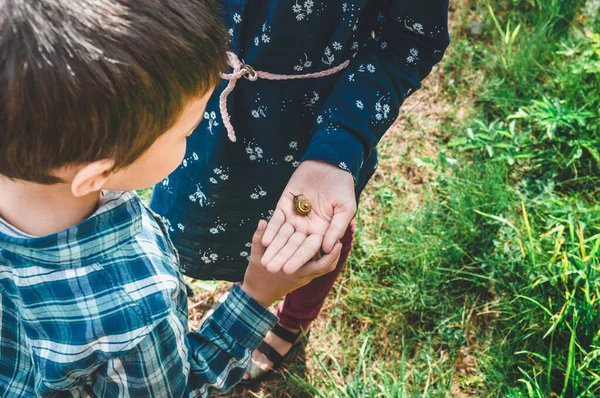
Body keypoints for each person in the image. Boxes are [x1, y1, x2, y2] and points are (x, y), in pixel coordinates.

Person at [0, 1, 342, 397]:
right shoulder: (137, 304)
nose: (192, 137)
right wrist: (256, 295)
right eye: (184, 131)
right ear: (97, 174)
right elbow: (182, 389)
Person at [150, 0, 451, 381]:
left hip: (311, 126)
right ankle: (221, 302)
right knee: (199, 212)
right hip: (201, 112)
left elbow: (412, 39)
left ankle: (291, 321)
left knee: (314, 238)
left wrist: (337, 147)